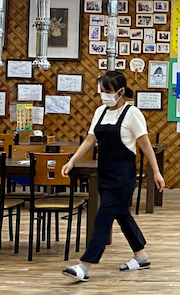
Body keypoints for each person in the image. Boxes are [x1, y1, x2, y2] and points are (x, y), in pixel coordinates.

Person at [61, 71, 164, 281]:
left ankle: (85, 265)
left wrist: (156, 172)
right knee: (120, 214)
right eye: (101, 92)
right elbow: (90, 140)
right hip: (104, 173)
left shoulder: (132, 113)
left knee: (103, 217)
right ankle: (141, 256)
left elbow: (145, 145)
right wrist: (73, 160)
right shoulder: (100, 112)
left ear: (121, 92)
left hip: (123, 176)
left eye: (107, 92)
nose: (104, 96)